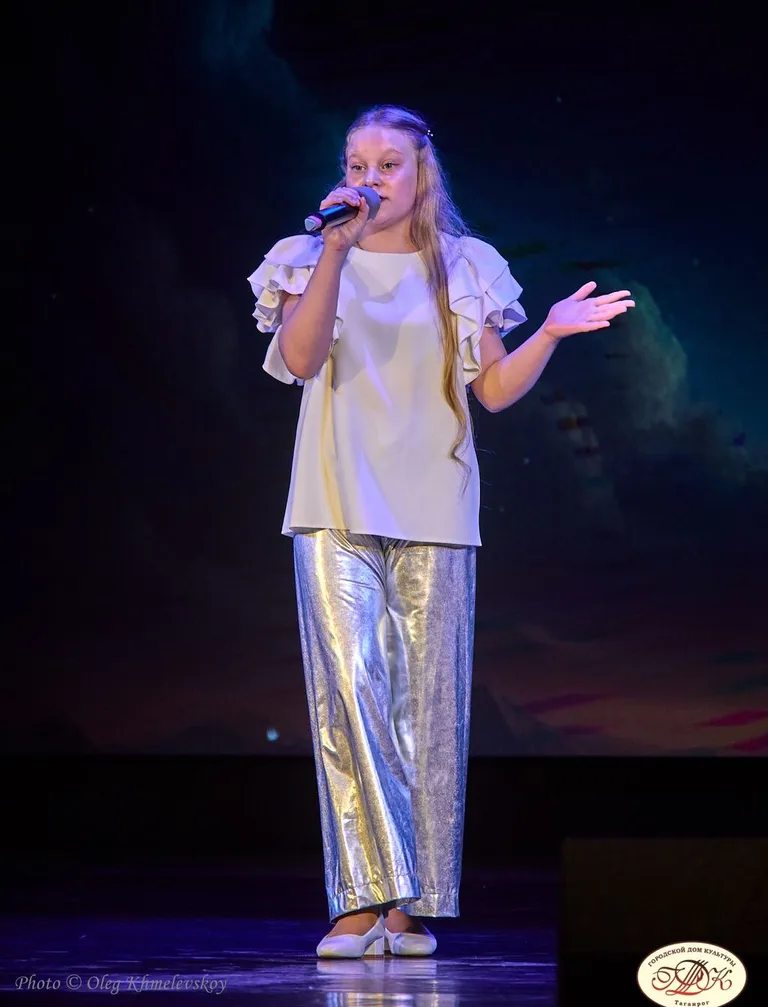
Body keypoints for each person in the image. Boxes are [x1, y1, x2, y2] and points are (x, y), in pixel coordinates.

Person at [247, 104, 634, 959]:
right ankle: (359, 900)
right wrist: (335, 254)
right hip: (332, 502)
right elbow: (302, 361)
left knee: (428, 710)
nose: (370, 178)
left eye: (389, 164)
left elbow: (492, 390)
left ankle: (408, 907)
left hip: (434, 507)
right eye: (358, 163)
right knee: (349, 699)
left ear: (423, 174)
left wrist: (550, 334)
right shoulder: (307, 258)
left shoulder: (465, 264)